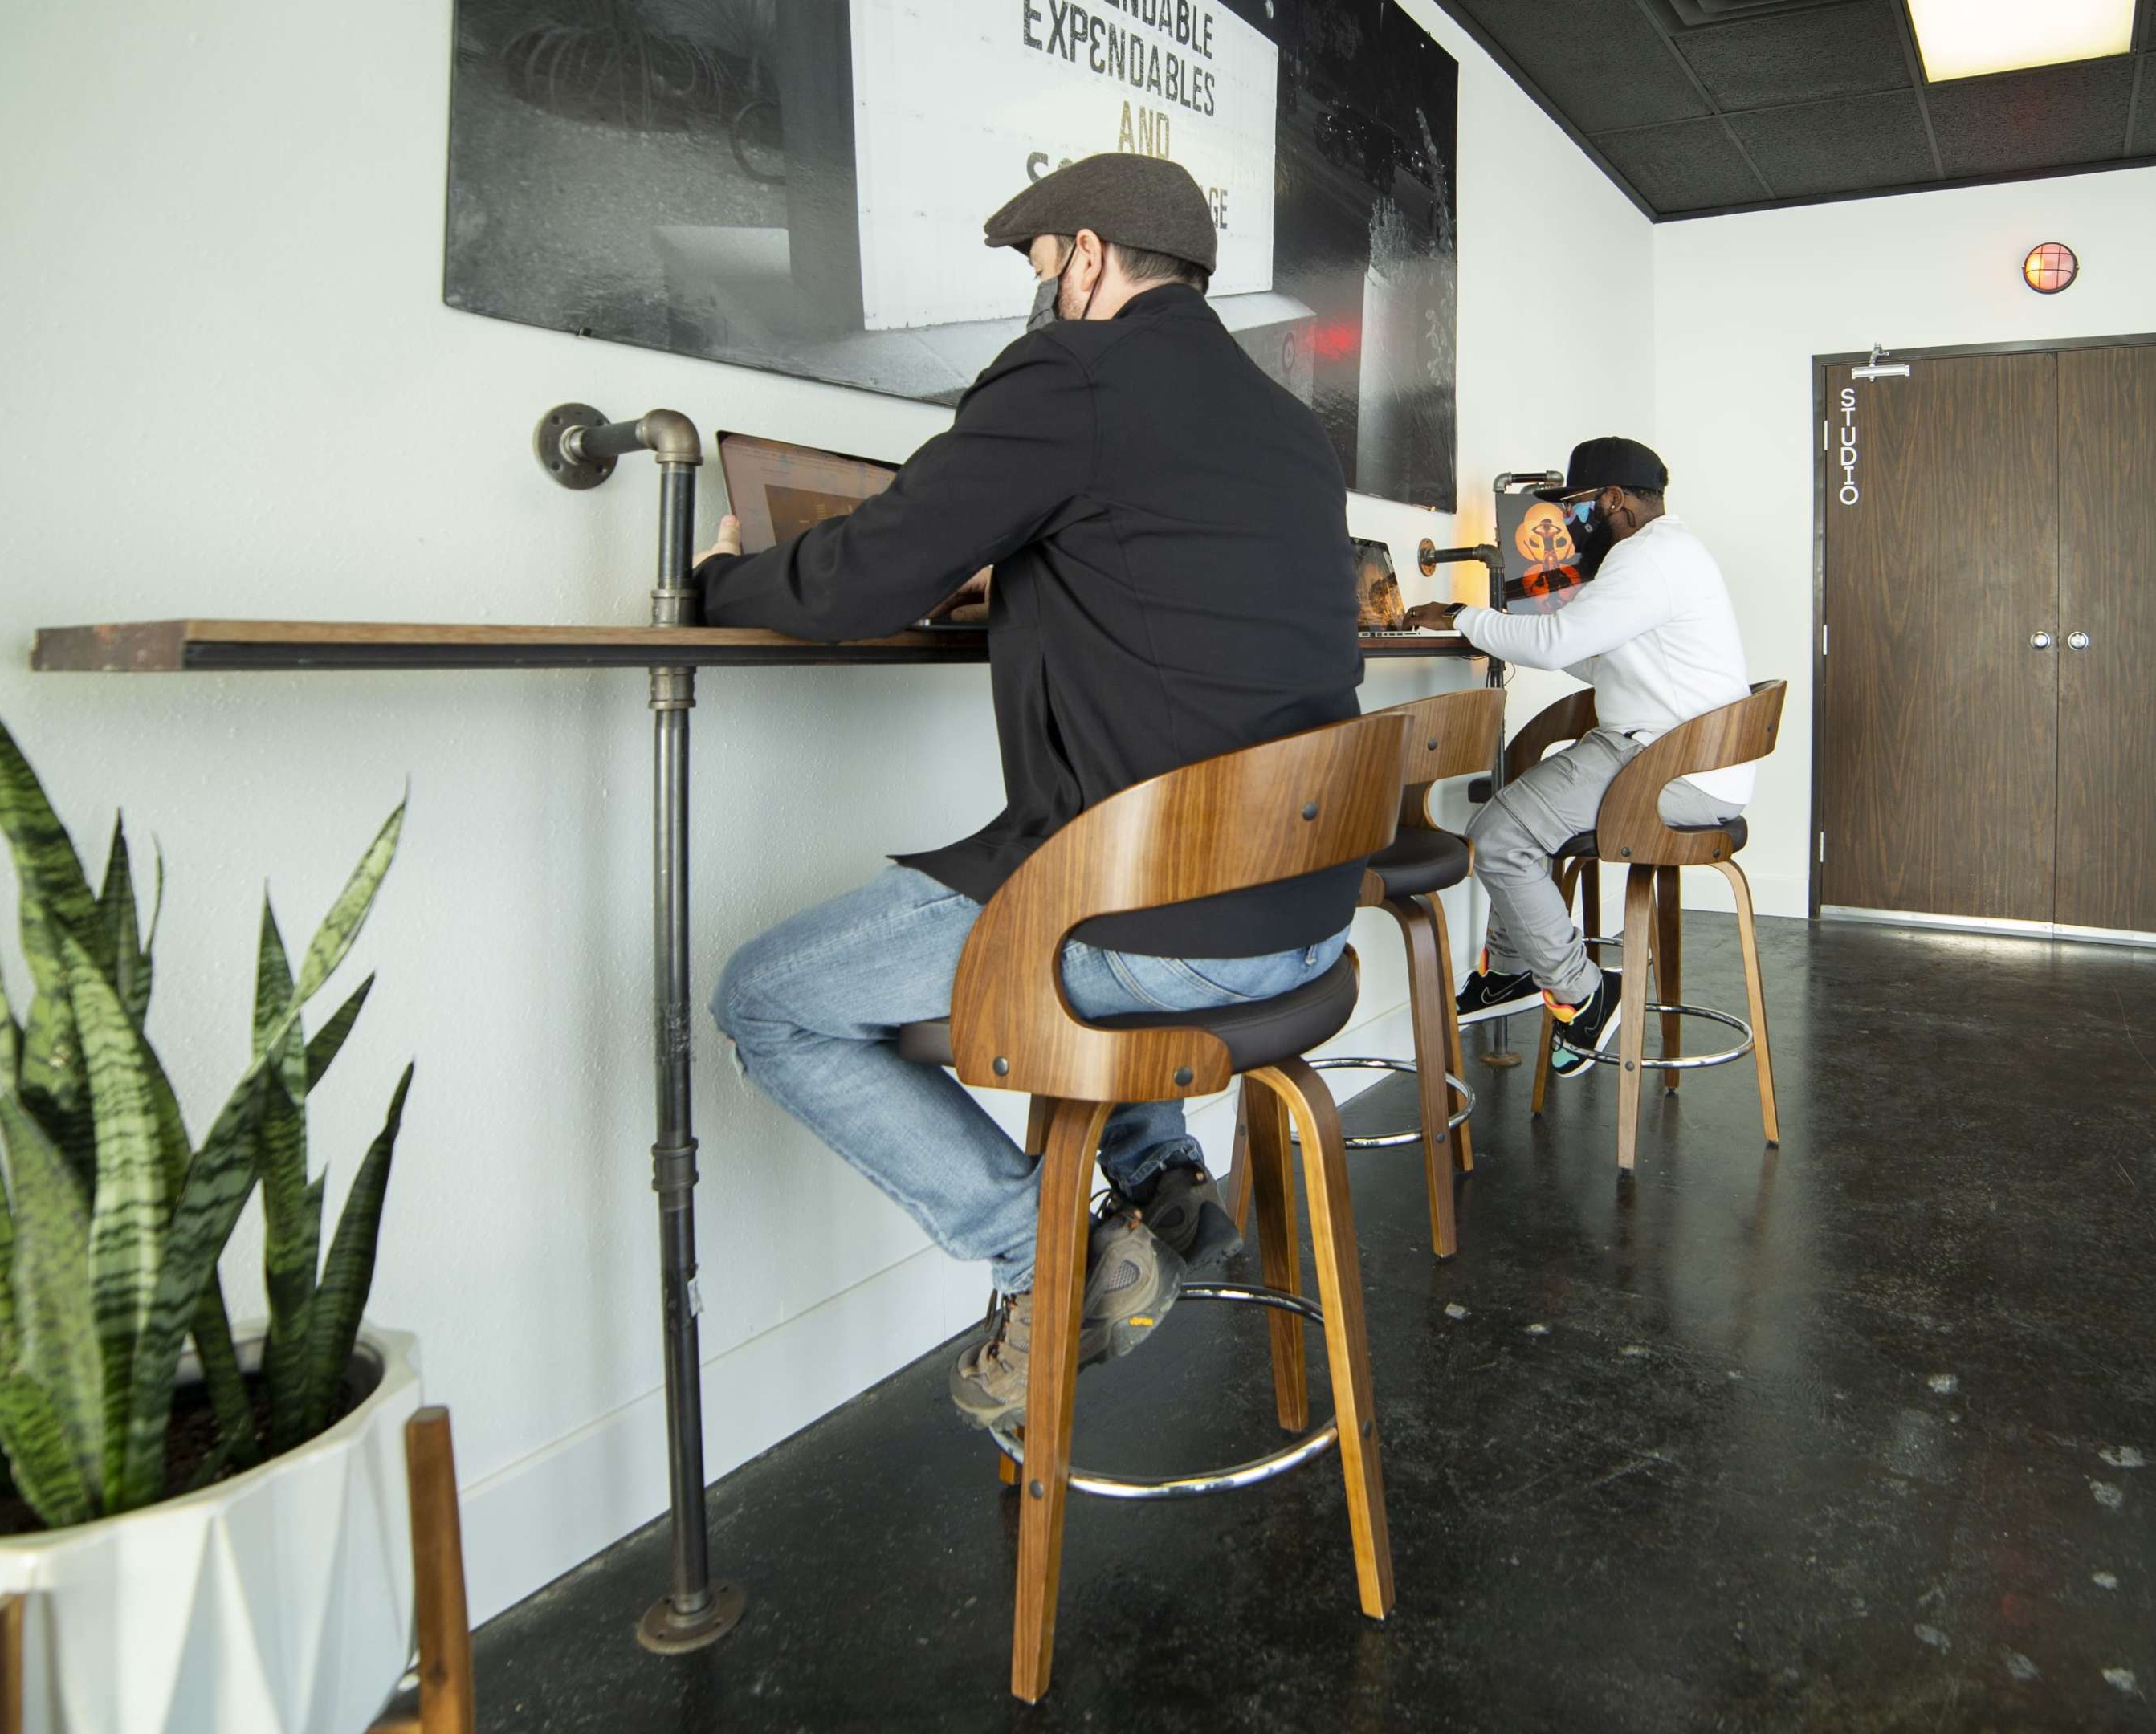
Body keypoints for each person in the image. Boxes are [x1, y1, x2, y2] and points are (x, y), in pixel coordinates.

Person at [695, 155, 1363, 1431]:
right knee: (1114, 853)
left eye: (1040, 264)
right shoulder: (1286, 426)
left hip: (1171, 936)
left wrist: (721, 578)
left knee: (766, 1001)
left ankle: (1046, 1260)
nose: (1037, 292)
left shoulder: (1074, 373)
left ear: (1090, 258)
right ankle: (1165, 1182)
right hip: (1301, 919)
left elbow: (862, 578)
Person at [1402, 438, 1753, 1074]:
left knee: (1498, 835)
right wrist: (1503, 627)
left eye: (1577, 505)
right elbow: (1594, 654)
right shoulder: (1672, 551)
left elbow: (1561, 639)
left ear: (1612, 499)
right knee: (1516, 818)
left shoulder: (1645, 559)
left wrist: (1462, 616)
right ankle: (1508, 973)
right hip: (1681, 757)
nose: (1567, 521)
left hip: (1667, 766)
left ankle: (1583, 994)